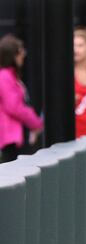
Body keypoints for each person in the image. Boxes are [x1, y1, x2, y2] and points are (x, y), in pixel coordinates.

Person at [0, 34, 43, 163]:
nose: (23, 54)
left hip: (12, 135)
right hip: (9, 136)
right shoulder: (5, 77)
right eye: (20, 51)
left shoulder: (9, 75)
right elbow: (14, 106)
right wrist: (36, 123)